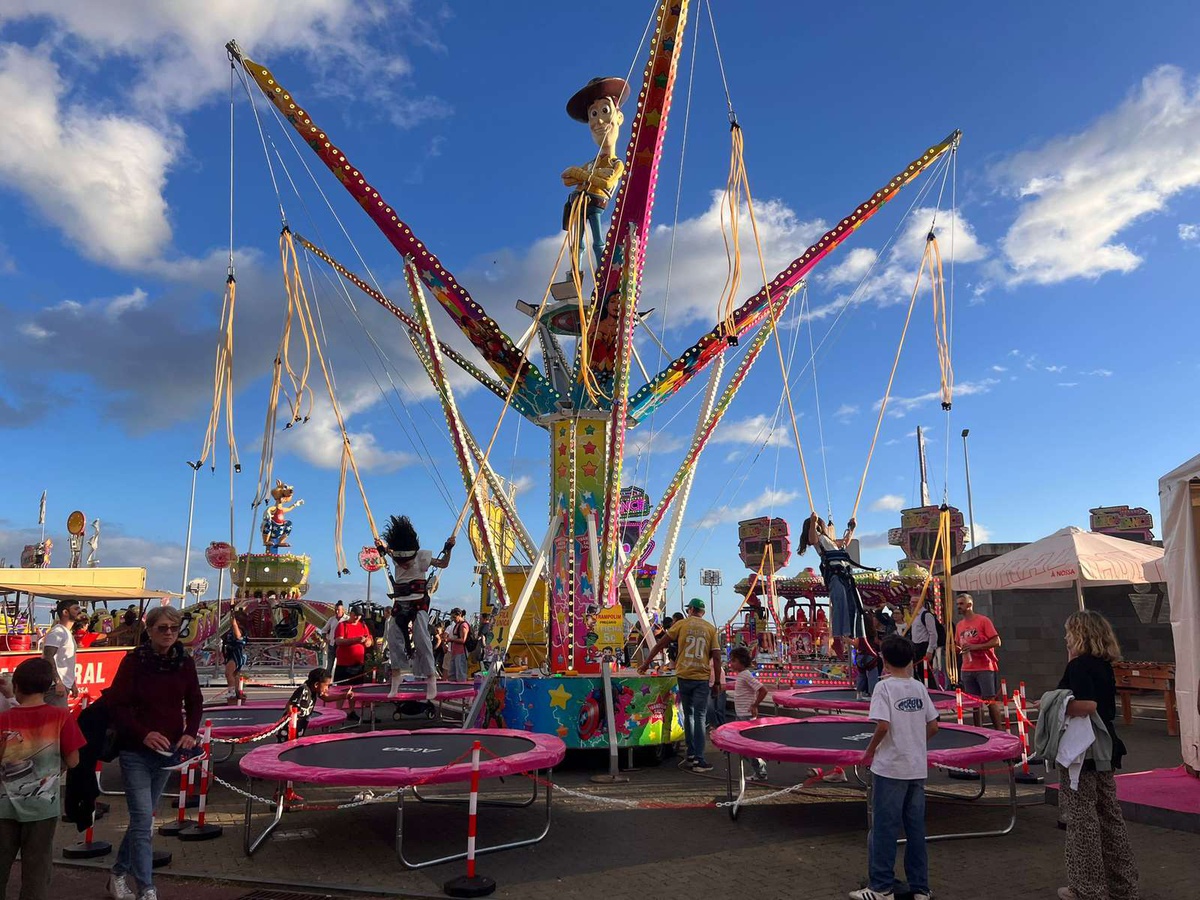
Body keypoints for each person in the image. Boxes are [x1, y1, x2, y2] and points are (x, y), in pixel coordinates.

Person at [105, 606, 203, 900]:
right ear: (149, 631)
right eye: (162, 628)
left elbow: (195, 700)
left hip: (167, 751)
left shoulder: (184, 662)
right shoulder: (134, 662)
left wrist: (190, 732)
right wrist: (143, 733)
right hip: (135, 749)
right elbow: (117, 705)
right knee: (143, 820)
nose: (169, 633)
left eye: (174, 628)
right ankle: (146, 888)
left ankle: (118, 873)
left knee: (142, 818)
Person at [1053, 611, 1139, 900]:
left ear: (1079, 635)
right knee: (1110, 815)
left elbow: (1086, 705)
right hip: (1106, 744)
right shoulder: (1104, 665)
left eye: (1069, 633)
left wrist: (1052, 704)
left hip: (1082, 748)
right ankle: (1123, 886)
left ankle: (1087, 887)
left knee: (1082, 818)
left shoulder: (1078, 666)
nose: (1065, 638)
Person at [852, 635, 938, 900]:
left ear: (884, 661)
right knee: (915, 830)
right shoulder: (918, 687)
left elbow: (883, 725)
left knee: (884, 829)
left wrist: (869, 752)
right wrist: (914, 742)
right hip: (916, 767)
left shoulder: (884, 688)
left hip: (890, 767)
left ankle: (881, 887)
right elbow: (934, 725)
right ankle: (920, 888)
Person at [0, 658, 86, 900]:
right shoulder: (61, 717)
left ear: (16, 686)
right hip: (43, 807)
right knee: (37, 870)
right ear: (48, 687)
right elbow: (74, 760)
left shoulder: (3, 720)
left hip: (4, 806)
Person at [376, 515, 455, 701]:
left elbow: (443, 564)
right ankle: (396, 678)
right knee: (393, 637)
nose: (403, 565)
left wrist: (449, 549)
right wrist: (381, 547)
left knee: (421, 638)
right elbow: (389, 551)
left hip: (418, 603)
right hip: (400, 602)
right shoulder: (396, 556)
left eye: (406, 562)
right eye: (400, 562)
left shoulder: (422, 557)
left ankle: (431, 678)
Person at [639, 598, 721, 773]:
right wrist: (717, 682)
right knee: (700, 717)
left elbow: (661, 644)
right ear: (703, 612)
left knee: (689, 715)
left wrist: (646, 663)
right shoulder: (710, 628)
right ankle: (699, 759)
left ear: (690, 609)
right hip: (701, 677)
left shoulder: (681, 625)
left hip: (684, 675)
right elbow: (716, 656)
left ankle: (691, 755)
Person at [800, 513, 865, 644]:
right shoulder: (818, 540)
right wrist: (813, 522)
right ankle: (838, 638)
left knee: (855, 603)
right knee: (840, 602)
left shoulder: (828, 540)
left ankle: (858, 635)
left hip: (844, 573)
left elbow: (844, 543)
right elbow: (812, 539)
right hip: (834, 573)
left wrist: (851, 529)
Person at [953, 593, 1003, 728]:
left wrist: (976, 647)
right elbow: (958, 645)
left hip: (984, 667)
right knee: (974, 702)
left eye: (961, 604)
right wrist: (956, 649)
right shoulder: (959, 625)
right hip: (967, 668)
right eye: (957, 604)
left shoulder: (983, 621)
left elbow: (997, 641)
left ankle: (999, 730)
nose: (958, 607)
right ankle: (979, 730)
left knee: (989, 700)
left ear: (969, 605)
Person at [728, 646, 768, 781]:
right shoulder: (742, 675)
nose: (731, 663)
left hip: (746, 715)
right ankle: (759, 766)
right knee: (742, 746)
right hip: (741, 714)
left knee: (746, 746)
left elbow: (763, 690)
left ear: (742, 661)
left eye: (734, 661)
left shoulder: (745, 675)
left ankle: (760, 770)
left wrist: (755, 705)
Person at [333, 605, 373, 725]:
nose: (357, 618)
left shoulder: (363, 626)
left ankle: (351, 711)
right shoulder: (342, 625)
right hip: (344, 663)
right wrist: (355, 640)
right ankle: (338, 712)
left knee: (354, 689)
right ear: (351, 614)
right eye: (355, 615)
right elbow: (338, 641)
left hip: (358, 663)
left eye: (359, 616)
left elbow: (370, 640)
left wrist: (367, 642)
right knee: (341, 689)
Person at [42, 598, 82, 708]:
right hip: (55, 687)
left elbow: (67, 661)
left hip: (63, 685)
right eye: (76, 609)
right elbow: (48, 657)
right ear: (65, 612)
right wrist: (58, 682)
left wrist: (72, 683)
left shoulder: (65, 632)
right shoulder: (58, 632)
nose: (80, 611)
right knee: (59, 717)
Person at [283, 668, 332, 741]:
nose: (327, 689)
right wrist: (292, 718)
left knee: (297, 741)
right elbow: (289, 704)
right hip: (290, 728)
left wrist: (344, 696)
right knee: (287, 743)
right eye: (326, 685)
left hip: (300, 726)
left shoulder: (315, 690)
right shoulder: (303, 689)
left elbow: (326, 698)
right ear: (316, 684)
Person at [906, 599, 939, 689]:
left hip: (924, 646)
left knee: (926, 671)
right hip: (915, 646)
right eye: (911, 602)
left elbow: (933, 634)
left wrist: (930, 650)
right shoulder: (914, 616)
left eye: (915, 602)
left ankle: (932, 690)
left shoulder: (926, 615)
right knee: (918, 671)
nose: (912, 604)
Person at [222, 605, 250, 703]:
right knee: (235, 674)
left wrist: (233, 619)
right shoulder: (232, 630)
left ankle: (232, 692)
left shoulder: (239, 630)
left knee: (229, 673)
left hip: (236, 653)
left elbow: (238, 636)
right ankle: (237, 692)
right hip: (233, 653)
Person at [384, 601, 411, 697]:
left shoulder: (398, 619)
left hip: (398, 645)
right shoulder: (390, 620)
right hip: (394, 644)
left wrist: (408, 648)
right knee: (394, 667)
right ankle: (395, 686)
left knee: (397, 667)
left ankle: (396, 687)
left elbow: (405, 634)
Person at [320, 601, 347, 672]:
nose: (336, 611)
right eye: (335, 610)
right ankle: (327, 678)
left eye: (338, 610)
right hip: (332, 644)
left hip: (342, 646)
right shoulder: (332, 619)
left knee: (341, 666)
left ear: (343, 610)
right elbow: (324, 630)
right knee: (329, 666)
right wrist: (325, 639)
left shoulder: (347, 619)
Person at [447, 609, 470, 682]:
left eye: (454, 617)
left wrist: (451, 640)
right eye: (452, 617)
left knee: (460, 673)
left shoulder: (463, 625)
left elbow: (463, 640)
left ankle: (461, 686)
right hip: (455, 652)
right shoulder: (457, 625)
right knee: (452, 673)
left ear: (459, 615)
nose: (453, 619)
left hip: (461, 652)